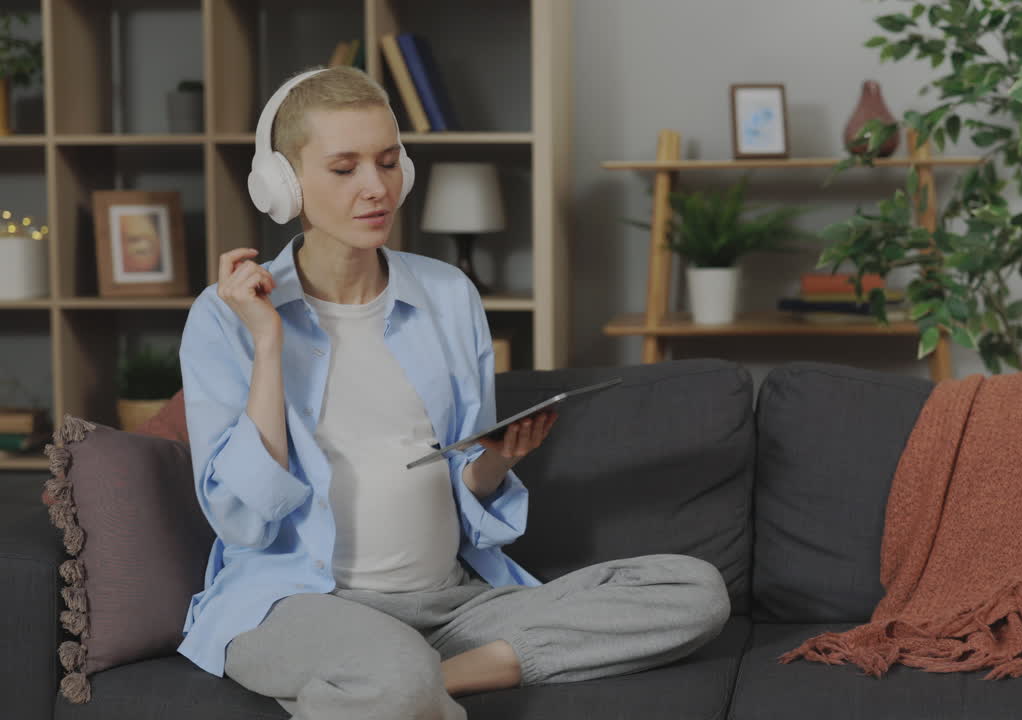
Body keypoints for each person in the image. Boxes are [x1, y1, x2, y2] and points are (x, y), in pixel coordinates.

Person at [176, 65, 730, 720]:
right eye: (345, 168)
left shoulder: (447, 295)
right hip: (296, 604)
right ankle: (404, 681)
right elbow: (240, 519)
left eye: (387, 162)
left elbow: (465, 492)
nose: (376, 188)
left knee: (694, 590)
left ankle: (429, 679)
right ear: (283, 184)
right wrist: (268, 347)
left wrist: (494, 464)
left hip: (450, 603)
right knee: (395, 671)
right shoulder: (227, 315)